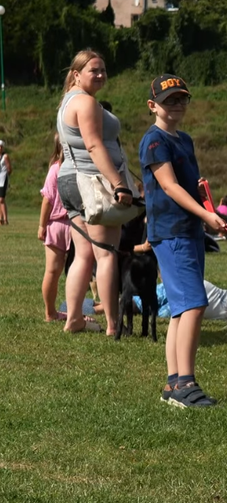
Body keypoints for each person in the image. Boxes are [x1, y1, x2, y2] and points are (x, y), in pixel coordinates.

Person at [139, 74, 227, 408]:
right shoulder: (154, 141)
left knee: (180, 308)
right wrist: (206, 216)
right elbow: (170, 186)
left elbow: (191, 186)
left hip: (189, 229)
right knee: (194, 303)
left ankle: (174, 384)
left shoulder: (184, 140)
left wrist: (208, 210)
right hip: (171, 231)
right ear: (153, 106)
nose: (176, 105)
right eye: (169, 100)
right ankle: (186, 384)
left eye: (181, 99)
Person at [56, 50, 133, 335]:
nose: (101, 74)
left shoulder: (67, 101)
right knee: (106, 254)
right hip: (92, 183)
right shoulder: (86, 102)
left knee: (83, 255)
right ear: (77, 74)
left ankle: (75, 318)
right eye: (94, 70)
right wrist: (119, 183)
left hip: (69, 180)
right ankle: (113, 324)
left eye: (103, 69)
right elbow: (93, 145)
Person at [39, 135, 71, 322]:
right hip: (74, 224)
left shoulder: (55, 169)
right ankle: (73, 311)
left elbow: (47, 200)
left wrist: (42, 225)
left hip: (55, 225)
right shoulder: (77, 169)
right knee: (77, 270)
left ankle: (50, 312)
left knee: (52, 271)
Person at [134, 282, 227, 321]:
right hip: (200, 298)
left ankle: (120, 300)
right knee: (153, 310)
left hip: (202, 284)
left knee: (148, 297)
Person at [0, 139, 11, 225]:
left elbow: (9, 169)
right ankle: (1, 219)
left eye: (1, 146)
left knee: (1, 199)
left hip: (3, 179)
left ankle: (5, 219)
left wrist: (6, 175)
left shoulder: (5, 156)